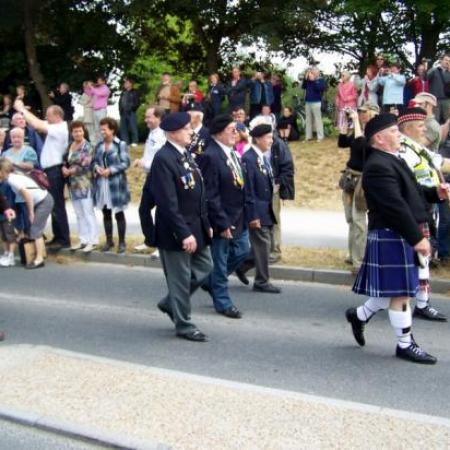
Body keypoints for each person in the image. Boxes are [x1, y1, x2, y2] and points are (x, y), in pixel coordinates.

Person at [346, 113, 448, 364]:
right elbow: (395, 207)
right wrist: (416, 238)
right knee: (402, 293)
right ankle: (405, 344)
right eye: (393, 131)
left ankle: (358, 316)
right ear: (379, 139)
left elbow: (411, 194)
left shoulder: (393, 160)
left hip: (400, 232)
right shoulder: (378, 167)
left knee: (390, 292)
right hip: (394, 233)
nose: (398, 135)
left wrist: (435, 192)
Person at [150, 112, 213, 342]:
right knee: (180, 278)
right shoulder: (164, 159)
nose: (190, 132)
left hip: (195, 226)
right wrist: (183, 233)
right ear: (174, 133)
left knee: (206, 266)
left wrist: (205, 224)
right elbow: (167, 202)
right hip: (176, 231)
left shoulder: (184, 154)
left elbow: (197, 192)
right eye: (187, 129)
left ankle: (171, 303)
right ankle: (184, 325)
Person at [396, 107, 450, 321]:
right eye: (420, 126)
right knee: (415, 258)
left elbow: (441, 163)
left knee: (423, 258)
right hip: (411, 209)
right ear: (407, 129)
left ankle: (422, 302)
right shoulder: (403, 151)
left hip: (425, 204)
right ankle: (368, 311)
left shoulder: (417, 148)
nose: (424, 129)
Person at [197, 114, 249, 319]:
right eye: (232, 129)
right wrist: (222, 222)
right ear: (218, 133)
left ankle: (210, 282)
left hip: (239, 216)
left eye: (236, 129)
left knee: (243, 250)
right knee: (220, 261)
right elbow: (210, 194)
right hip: (222, 218)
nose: (236, 132)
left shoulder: (234, 153)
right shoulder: (210, 156)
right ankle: (223, 301)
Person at [13, 99, 70, 249]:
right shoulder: (56, 126)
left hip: (54, 171)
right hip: (51, 171)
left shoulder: (60, 128)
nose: (46, 118)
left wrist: (21, 110)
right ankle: (59, 237)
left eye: (48, 115)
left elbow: (37, 123)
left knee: (56, 205)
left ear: (57, 116)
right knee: (53, 205)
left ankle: (63, 240)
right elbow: (39, 123)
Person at [239, 124, 281, 293]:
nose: (271, 141)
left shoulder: (262, 157)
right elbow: (248, 190)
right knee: (263, 245)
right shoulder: (249, 159)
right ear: (257, 139)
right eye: (268, 138)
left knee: (265, 245)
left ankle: (241, 266)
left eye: (271, 137)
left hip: (266, 209)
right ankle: (262, 281)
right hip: (257, 210)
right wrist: (253, 215)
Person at [338, 102, 379, 272]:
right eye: (359, 112)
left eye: (364, 112)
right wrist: (343, 127)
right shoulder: (358, 130)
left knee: (359, 220)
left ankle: (359, 260)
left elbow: (362, 145)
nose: (361, 115)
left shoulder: (375, 133)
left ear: (372, 114)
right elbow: (343, 143)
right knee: (350, 219)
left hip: (363, 181)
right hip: (350, 177)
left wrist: (355, 123)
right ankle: (352, 255)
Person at [0, 158, 54, 269]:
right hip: (40, 201)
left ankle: (39, 260)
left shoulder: (12, 180)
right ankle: (36, 255)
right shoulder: (14, 177)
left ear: (2, 171)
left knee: (35, 230)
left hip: (44, 201)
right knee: (33, 229)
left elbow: (27, 195)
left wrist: (30, 213)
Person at [92, 117, 130, 254]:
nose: (102, 132)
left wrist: (111, 170)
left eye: (105, 129)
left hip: (116, 184)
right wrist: (97, 168)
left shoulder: (120, 144)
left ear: (112, 130)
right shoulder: (99, 145)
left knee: (119, 213)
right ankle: (109, 241)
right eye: (101, 129)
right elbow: (94, 161)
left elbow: (126, 163)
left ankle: (122, 242)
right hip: (102, 183)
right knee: (106, 212)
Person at [133, 106, 166, 255]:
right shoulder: (152, 133)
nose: (146, 120)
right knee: (143, 209)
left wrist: (144, 164)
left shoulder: (163, 135)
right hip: (150, 177)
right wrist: (142, 160)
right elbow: (150, 155)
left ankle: (162, 245)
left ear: (158, 118)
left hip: (160, 178)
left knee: (162, 212)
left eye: (149, 117)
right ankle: (150, 240)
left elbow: (160, 159)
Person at [62, 121, 98, 253]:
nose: (78, 133)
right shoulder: (70, 146)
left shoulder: (88, 146)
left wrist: (69, 171)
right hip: (73, 184)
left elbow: (85, 162)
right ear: (71, 133)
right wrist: (63, 168)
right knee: (78, 213)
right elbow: (64, 160)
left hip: (85, 183)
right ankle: (83, 239)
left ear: (84, 132)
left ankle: (93, 240)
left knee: (88, 212)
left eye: (80, 131)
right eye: (75, 131)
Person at [2, 127, 39, 238]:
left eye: (19, 137)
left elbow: (31, 166)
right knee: (14, 216)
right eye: (13, 137)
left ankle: (30, 239)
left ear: (23, 138)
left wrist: (14, 163)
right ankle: (19, 239)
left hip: (23, 188)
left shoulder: (29, 150)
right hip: (9, 190)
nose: (16, 139)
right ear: (10, 139)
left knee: (27, 215)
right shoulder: (5, 153)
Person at [302, 68, 325, 141]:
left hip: (316, 102)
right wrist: (305, 79)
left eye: (313, 73)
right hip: (308, 102)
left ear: (317, 73)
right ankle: (308, 137)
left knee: (318, 120)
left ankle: (320, 137)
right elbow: (303, 86)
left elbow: (319, 89)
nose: (311, 74)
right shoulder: (308, 81)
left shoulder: (320, 80)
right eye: (311, 72)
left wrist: (314, 81)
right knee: (308, 120)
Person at [426, 53, 450, 124]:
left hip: (447, 100)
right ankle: (437, 135)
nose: (447, 62)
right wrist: (434, 67)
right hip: (435, 100)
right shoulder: (434, 70)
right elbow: (426, 77)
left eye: (449, 61)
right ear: (441, 61)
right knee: (435, 120)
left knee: (448, 120)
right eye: (446, 60)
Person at [86, 76, 110, 144]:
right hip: (95, 110)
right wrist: (88, 87)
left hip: (101, 110)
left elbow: (98, 94)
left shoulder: (106, 89)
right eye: (98, 80)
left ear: (103, 81)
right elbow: (89, 93)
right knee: (97, 128)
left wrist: (92, 87)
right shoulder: (97, 88)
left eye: (99, 80)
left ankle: (105, 141)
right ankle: (99, 142)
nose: (98, 82)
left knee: (103, 126)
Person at [119, 77, 140, 147]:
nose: (125, 84)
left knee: (133, 126)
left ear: (131, 84)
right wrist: (120, 110)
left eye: (127, 83)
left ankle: (135, 141)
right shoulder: (123, 92)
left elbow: (137, 102)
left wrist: (132, 108)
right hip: (123, 112)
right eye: (125, 83)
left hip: (131, 112)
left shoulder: (135, 92)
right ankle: (125, 142)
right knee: (123, 128)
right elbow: (120, 102)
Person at [0, 180, 17, 268]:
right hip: (1, 214)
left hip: (7, 214)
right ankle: (6, 253)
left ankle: (11, 256)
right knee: (3, 236)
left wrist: (9, 210)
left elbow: (9, 200)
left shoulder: (6, 185)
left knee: (10, 235)